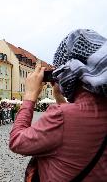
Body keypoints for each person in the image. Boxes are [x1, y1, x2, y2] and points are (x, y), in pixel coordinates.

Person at [9, 29, 107, 182]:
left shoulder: (61, 116)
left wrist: (29, 96)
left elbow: (17, 141)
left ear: (68, 71)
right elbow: (78, 124)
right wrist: (59, 97)